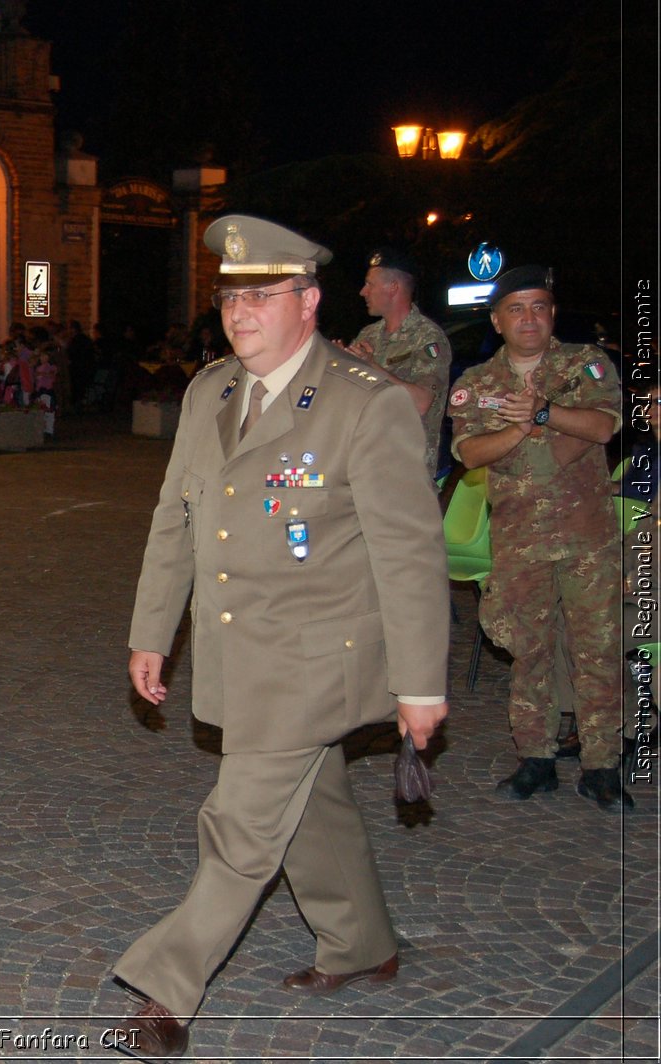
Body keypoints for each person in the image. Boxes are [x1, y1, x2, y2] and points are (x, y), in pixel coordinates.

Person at [109, 215, 449, 1058]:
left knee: (243, 822)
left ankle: (166, 988)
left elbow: (408, 554)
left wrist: (420, 684)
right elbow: (175, 517)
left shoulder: (363, 406)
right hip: (238, 651)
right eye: (231, 296)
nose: (241, 312)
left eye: (262, 295)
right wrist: (153, 629)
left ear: (309, 301)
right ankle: (364, 943)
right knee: (311, 801)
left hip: (317, 660)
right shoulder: (209, 391)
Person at [448, 265, 629, 810]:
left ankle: (602, 765)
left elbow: (604, 425)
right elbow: (469, 454)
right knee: (529, 652)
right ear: (497, 320)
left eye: (539, 307)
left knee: (598, 651)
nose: (529, 318)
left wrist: (546, 410)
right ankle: (536, 759)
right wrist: (518, 427)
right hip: (520, 541)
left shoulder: (584, 365)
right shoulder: (476, 384)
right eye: (516, 309)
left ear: (552, 314)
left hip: (587, 539)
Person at [343, 247, 452, 481]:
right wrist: (339, 364)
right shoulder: (368, 335)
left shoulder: (428, 337)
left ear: (393, 287)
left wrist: (372, 367)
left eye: (370, 284)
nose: (363, 292)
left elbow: (421, 402)